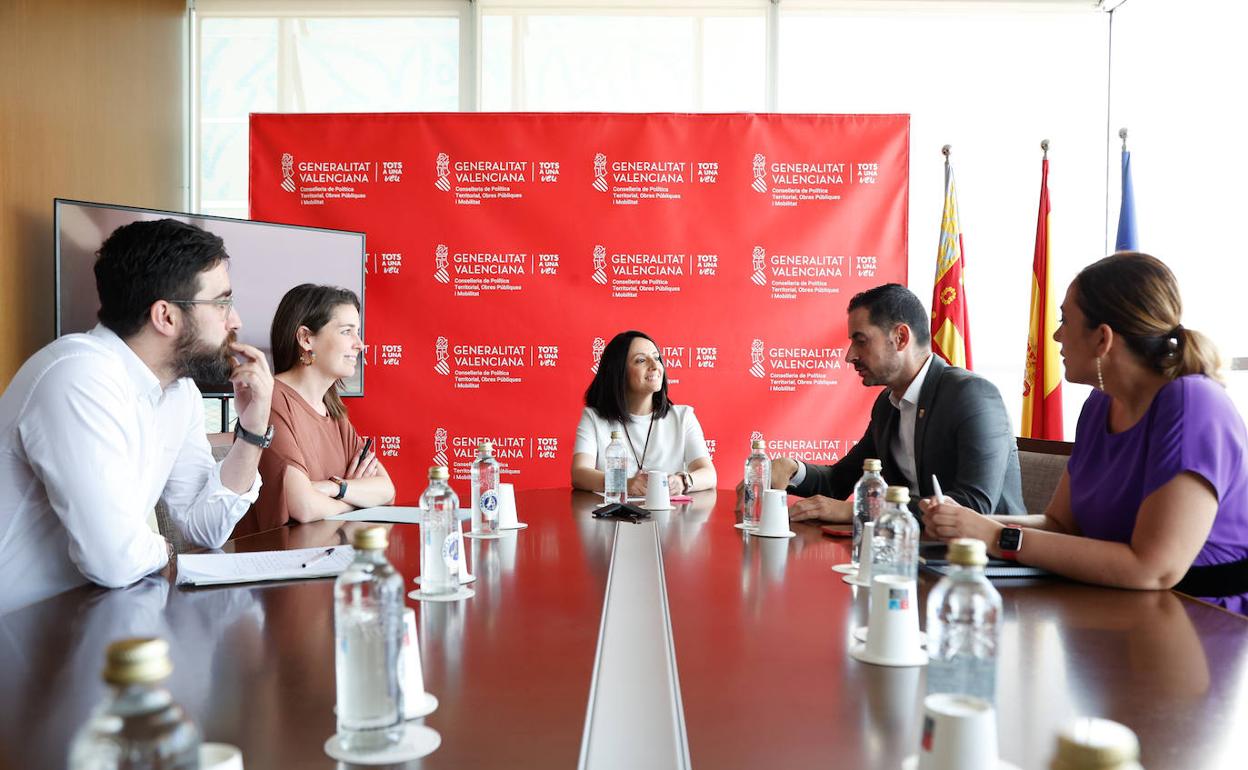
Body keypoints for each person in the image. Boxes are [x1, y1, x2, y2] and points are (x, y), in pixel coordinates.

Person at [926, 253, 1248, 614]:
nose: (1056, 334)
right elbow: (1061, 524)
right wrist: (968, 523)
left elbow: (1153, 569)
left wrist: (994, 536)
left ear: (1103, 338)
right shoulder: (1099, 404)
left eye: (1065, 319)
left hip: (1205, 622)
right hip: (1113, 608)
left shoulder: (1193, 404)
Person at [0, 219, 273, 614]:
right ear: (165, 316)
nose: (235, 321)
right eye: (221, 303)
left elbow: (204, 528)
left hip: (88, 622)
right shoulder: (79, 375)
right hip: (17, 637)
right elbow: (112, 559)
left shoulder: (179, 393)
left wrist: (252, 429)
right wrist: (160, 547)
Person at [741, 283, 1023, 523]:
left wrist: (862, 511)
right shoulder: (888, 406)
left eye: (861, 341)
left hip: (988, 571)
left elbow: (972, 507)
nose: (849, 356)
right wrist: (793, 469)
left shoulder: (972, 396)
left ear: (900, 338)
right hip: (911, 554)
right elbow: (839, 480)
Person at [232, 285, 393, 537]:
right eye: (346, 331)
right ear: (306, 339)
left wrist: (333, 489)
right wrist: (353, 497)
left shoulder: (334, 412)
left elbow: (385, 489)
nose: (360, 344)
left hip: (322, 558)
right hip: (276, 566)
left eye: (357, 332)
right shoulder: (272, 399)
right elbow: (303, 505)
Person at [571, 330, 717, 496]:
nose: (655, 366)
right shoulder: (593, 418)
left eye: (656, 358)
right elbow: (579, 473)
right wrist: (622, 483)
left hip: (670, 519)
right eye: (641, 360)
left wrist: (682, 482)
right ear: (619, 372)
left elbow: (709, 474)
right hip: (613, 518)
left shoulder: (683, 417)